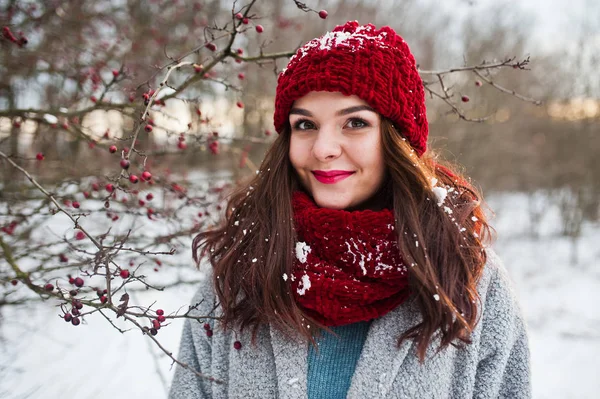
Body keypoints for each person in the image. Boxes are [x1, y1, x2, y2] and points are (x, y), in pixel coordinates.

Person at [169, 21, 531, 399]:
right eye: (305, 124)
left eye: (355, 122)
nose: (323, 148)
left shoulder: (466, 280)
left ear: (397, 140)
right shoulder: (238, 275)